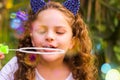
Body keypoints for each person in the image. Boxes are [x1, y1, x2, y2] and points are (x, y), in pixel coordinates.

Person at [0, 0, 98, 80]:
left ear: (72, 42)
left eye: (59, 32)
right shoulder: (16, 66)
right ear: (32, 38)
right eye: (42, 31)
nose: (49, 36)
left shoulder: (78, 74)